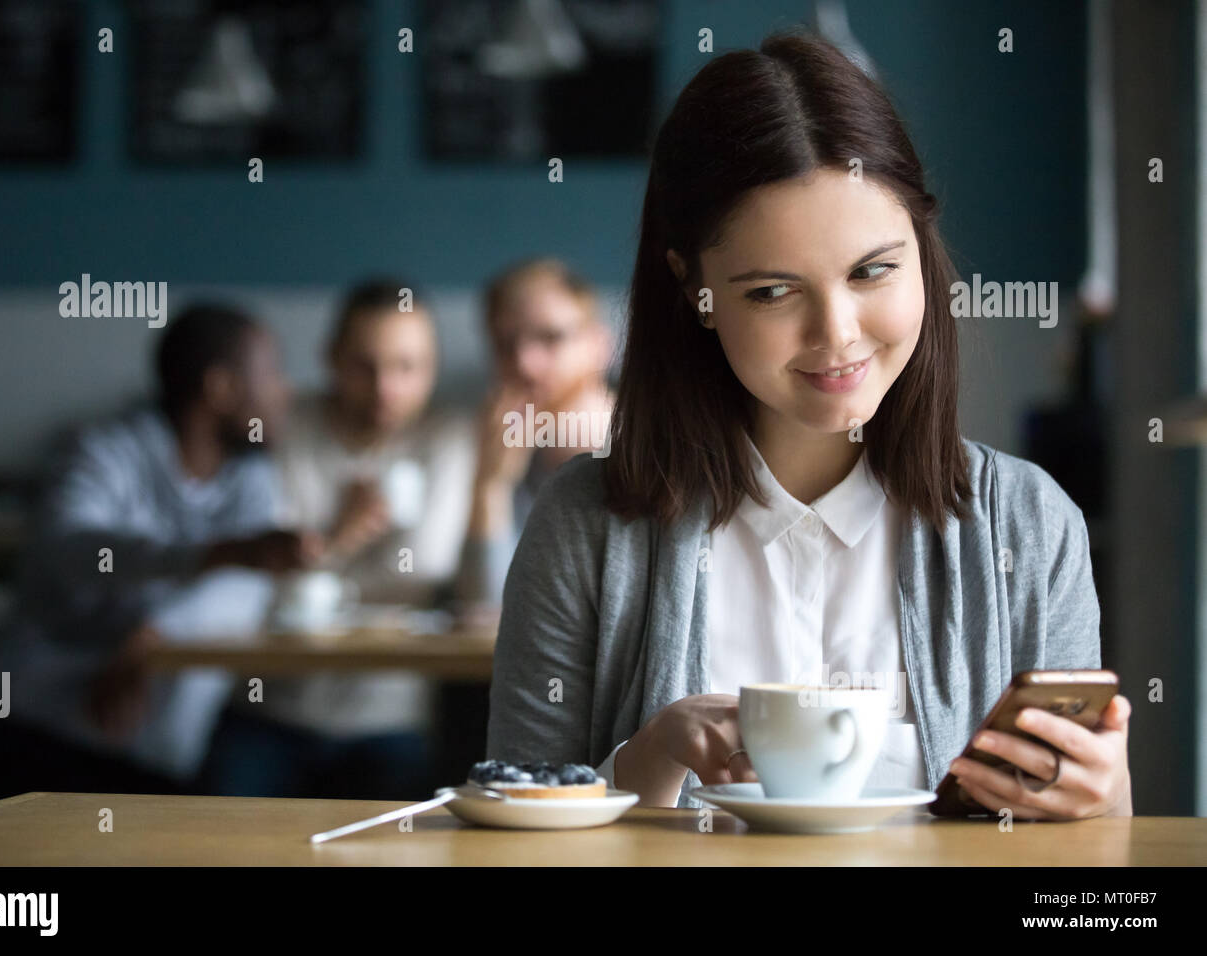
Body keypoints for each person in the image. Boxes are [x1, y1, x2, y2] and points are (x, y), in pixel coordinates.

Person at [485, 32, 1133, 819]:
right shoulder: (585, 526)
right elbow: (510, 835)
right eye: (771, 292)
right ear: (693, 288)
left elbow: (1093, 891)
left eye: (873, 271)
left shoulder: (1029, 525)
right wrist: (647, 761)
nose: (837, 333)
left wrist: (1104, 797)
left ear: (923, 253)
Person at [0, 303, 321, 814]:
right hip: (20, 726)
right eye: (272, 372)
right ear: (221, 389)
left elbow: (247, 589)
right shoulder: (104, 451)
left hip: (144, 760)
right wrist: (209, 555)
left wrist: (153, 635)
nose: (285, 389)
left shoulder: (252, 477)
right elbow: (72, 549)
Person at [198, 280, 475, 799]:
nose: (385, 387)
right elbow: (261, 579)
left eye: (406, 367)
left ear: (433, 368)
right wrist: (344, 535)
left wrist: (319, 558)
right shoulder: (281, 426)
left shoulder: (448, 437)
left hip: (387, 719)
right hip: (267, 706)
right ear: (330, 357)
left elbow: (422, 569)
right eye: (364, 366)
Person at [457, 258, 615, 608]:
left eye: (550, 337)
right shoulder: (500, 452)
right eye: (506, 344)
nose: (525, 363)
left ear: (600, 345)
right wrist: (489, 487)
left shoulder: (648, 453)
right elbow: (484, 611)